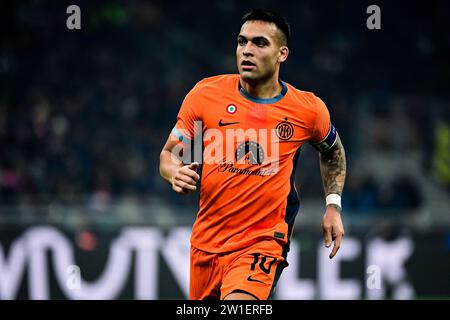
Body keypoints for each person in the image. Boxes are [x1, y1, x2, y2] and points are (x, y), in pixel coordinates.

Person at [159, 9, 346, 300]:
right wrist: (175, 173)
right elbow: (170, 155)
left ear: (282, 54)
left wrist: (333, 205)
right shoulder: (205, 95)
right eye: (241, 41)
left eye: (259, 43)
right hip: (206, 244)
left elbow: (332, 151)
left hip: (261, 243)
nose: (247, 50)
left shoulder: (307, 109)